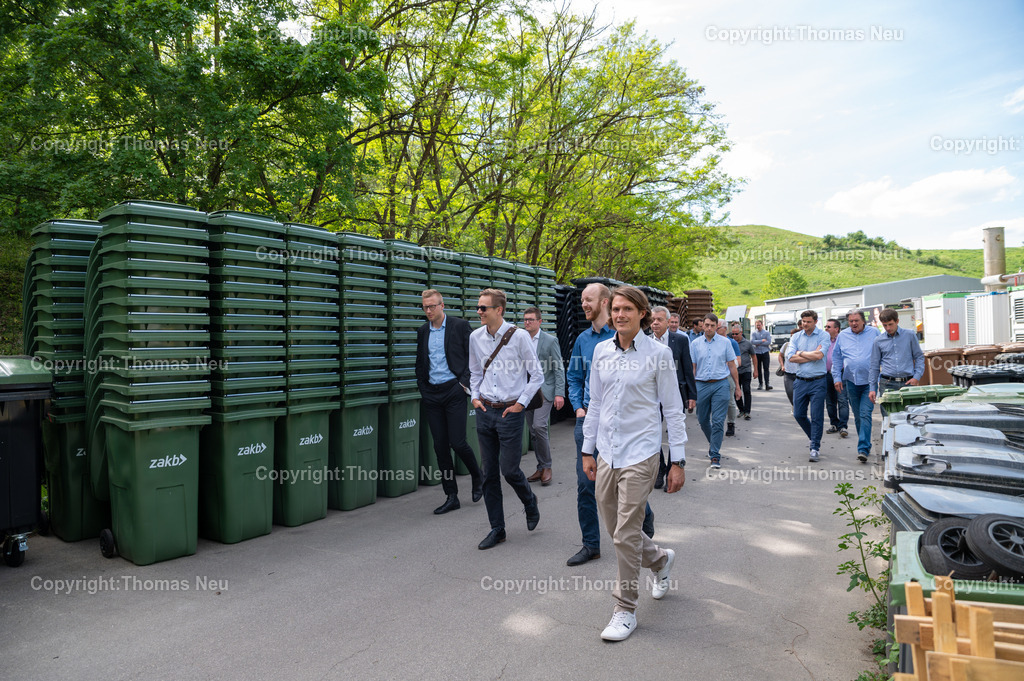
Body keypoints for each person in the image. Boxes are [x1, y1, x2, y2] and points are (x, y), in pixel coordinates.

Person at [581, 286, 686, 642]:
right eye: (615, 309)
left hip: (642, 452)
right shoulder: (600, 351)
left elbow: (672, 409)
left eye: (627, 309)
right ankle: (659, 560)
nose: (620, 315)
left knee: (626, 532)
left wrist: (678, 460)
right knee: (615, 528)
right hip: (608, 453)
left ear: (642, 314)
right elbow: (596, 402)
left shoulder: (659, 354)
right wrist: (587, 449)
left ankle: (624, 609)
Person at [566, 284, 655, 567]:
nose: (583, 304)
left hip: (628, 428)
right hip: (592, 421)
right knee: (586, 486)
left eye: (588, 299)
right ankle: (591, 544)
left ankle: (643, 533)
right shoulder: (583, 339)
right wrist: (579, 407)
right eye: (581, 300)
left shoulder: (630, 336)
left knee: (628, 490)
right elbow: (575, 376)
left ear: (604, 302)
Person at [469, 289, 544, 550]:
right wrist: (474, 397)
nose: (478, 312)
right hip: (484, 410)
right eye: (478, 307)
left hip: (510, 411)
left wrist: (520, 404)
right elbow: (475, 371)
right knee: (489, 473)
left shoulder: (520, 337)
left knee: (509, 470)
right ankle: (497, 529)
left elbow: (537, 375)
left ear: (498, 310)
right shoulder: (475, 337)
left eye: (483, 308)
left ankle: (529, 501)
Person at [415, 289, 483, 515]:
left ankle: (477, 476)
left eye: (432, 306)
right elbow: (420, 363)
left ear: (442, 306)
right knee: (439, 446)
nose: (428, 311)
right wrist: (424, 389)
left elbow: (474, 357)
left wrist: (462, 385)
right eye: (425, 307)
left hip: (453, 391)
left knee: (458, 442)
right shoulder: (423, 331)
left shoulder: (459, 326)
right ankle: (451, 495)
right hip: (432, 394)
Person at [649, 306, 697, 489]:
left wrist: (692, 395)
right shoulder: (644, 342)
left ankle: (672, 466)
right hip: (652, 396)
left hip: (675, 393)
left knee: (675, 429)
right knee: (654, 431)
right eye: (653, 320)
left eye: (659, 320)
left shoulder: (681, 340)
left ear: (668, 322)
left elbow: (687, 368)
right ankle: (660, 467)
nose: (655, 323)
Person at [689, 313, 740, 469]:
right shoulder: (695, 344)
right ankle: (714, 442)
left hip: (721, 384)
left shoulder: (725, 343)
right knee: (703, 419)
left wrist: (737, 387)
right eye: (707, 325)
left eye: (712, 325)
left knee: (718, 421)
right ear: (702, 325)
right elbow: (693, 368)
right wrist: (691, 392)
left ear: (717, 326)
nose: (709, 328)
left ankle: (715, 455)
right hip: (701, 385)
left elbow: (732, 365)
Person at [523, 307, 565, 486]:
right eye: (525, 319)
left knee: (539, 426)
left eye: (531, 319)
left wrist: (559, 394)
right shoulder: (521, 339)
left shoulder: (550, 341)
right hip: (526, 392)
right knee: (533, 431)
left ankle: (547, 466)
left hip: (545, 390)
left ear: (539, 322)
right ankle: (540, 467)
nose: (527, 322)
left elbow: (558, 368)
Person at [831, 310, 880, 463]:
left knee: (865, 413)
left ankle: (863, 449)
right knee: (858, 416)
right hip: (851, 382)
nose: (854, 323)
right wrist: (837, 377)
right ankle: (866, 443)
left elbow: (883, 352)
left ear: (863, 321)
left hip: (870, 382)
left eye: (857, 320)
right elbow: (837, 358)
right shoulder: (843, 336)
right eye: (851, 321)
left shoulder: (874, 333)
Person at [786, 310, 830, 462]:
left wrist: (801, 352)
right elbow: (791, 358)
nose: (805, 324)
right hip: (800, 381)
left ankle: (815, 447)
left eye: (808, 321)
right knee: (798, 414)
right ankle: (814, 437)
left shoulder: (823, 335)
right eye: (803, 321)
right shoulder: (796, 336)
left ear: (815, 321)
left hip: (818, 381)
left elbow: (820, 356)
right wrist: (811, 354)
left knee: (817, 415)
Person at [869, 308, 925, 418]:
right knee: (888, 418)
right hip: (887, 383)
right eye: (885, 325)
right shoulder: (878, 340)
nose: (888, 328)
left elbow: (919, 357)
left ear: (897, 321)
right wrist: (872, 388)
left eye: (890, 324)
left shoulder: (909, 335)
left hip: (908, 382)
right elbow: (874, 366)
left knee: (911, 417)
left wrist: (917, 377)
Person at [823, 318, 849, 438]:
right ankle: (834, 423)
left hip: (841, 373)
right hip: (827, 374)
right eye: (826, 326)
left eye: (829, 327)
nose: (826, 329)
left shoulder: (843, 340)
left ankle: (843, 426)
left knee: (842, 400)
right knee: (830, 401)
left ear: (836, 329)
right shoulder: (824, 340)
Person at [717, 320, 741, 436]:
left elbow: (738, 361)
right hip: (715, 376)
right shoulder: (712, 342)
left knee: (730, 401)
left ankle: (731, 423)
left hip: (728, 375)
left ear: (725, 329)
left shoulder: (732, 343)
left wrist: (727, 363)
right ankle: (717, 424)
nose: (715, 330)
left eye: (717, 328)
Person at [730, 323, 757, 420]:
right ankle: (741, 409)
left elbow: (754, 356)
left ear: (741, 333)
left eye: (736, 334)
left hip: (746, 370)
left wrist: (756, 370)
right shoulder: (730, 343)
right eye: (733, 334)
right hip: (735, 371)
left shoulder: (747, 343)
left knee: (746, 390)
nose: (734, 336)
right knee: (736, 391)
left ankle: (747, 412)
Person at [779, 324, 802, 405]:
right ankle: (794, 406)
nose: (792, 338)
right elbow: (780, 356)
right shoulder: (786, 345)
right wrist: (782, 365)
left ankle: (798, 408)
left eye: (794, 336)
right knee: (790, 392)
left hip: (800, 374)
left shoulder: (802, 346)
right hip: (788, 374)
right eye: (791, 336)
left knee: (799, 394)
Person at [751, 319, 772, 390]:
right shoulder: (754, 333)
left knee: (766, 368)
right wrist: (762, 340)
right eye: (757, 325)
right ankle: (760, 383)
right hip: (757, 353)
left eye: (759, 325)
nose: (758, 327)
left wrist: (758, 343)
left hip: (765, 352)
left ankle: (767, 384)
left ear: (762, 325)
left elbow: (768, 342)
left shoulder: (766, 332)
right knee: (758, 368)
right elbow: (752, 341)